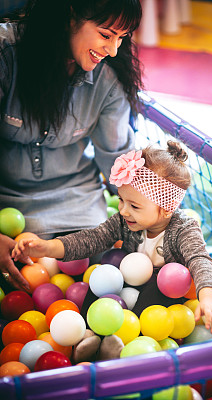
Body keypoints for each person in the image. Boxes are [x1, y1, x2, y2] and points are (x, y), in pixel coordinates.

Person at [13, 141, 212, 351]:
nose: (123, 210)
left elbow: (200, 260)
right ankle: (89, 334)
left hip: (159, 291)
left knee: (160, 284)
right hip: (124, 281)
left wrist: (208, 299)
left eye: (134, 205)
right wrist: (47, 248)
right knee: (102, 274)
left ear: (166, 208)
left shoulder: (184, 230)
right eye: (121, 200)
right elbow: (93, 238)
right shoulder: (125, 221)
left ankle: (131, 342)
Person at [0, 0, 143, 292]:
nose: (113, 50)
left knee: (109, 272)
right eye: (106, 35)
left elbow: (118, 159)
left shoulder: (109, 79)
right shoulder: (7, 54)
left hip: (75, 199)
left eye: (122, 38)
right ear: (69, 16)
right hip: (6, 203)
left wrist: (150, 210)